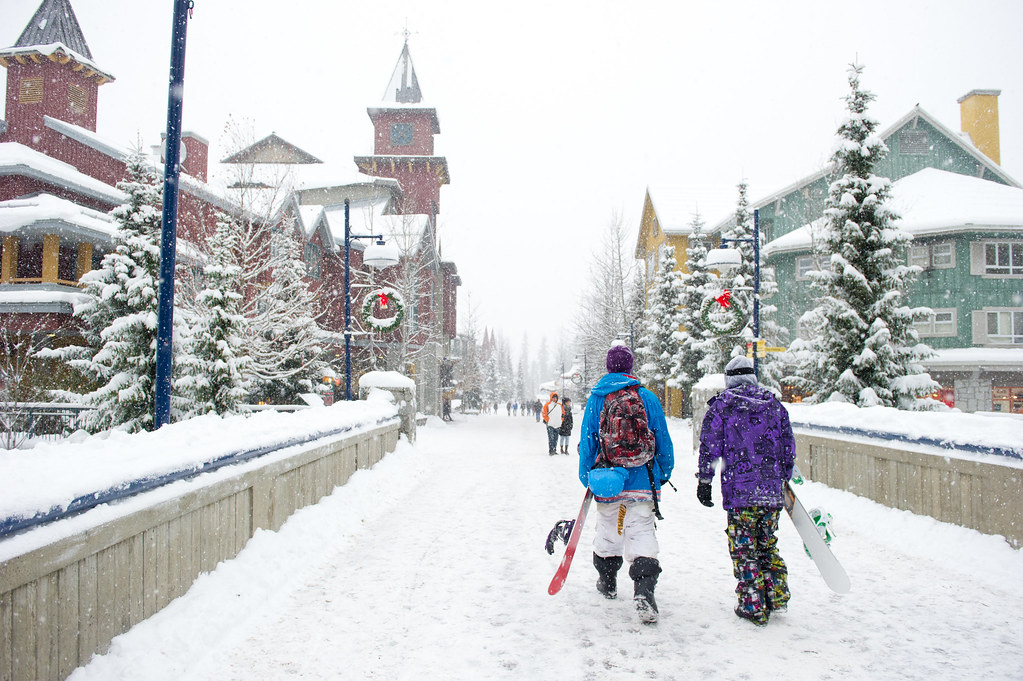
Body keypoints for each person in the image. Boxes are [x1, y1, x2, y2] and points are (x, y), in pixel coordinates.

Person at [697, 355, 796, 627]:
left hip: (740, 494)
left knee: (744, 548)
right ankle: (775, 596)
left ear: (729, 378)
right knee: (767, 542)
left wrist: (704, 481)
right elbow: (788, 445)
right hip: (771, 490)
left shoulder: (722, 407)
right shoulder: (774, 406)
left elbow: (710, 447)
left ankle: (752, 604)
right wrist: (783, 477)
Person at [578, 343, 673, 624]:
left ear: (608, 367)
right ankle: (644, 588)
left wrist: (588, 477)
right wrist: (662, 472)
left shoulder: (597, 399)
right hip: (643, 478)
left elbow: (588, 442)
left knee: (608, 530)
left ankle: (607, 581)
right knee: (641, 531)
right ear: (631, 367)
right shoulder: (647, 397)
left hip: (608, 479)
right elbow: (663, 439)